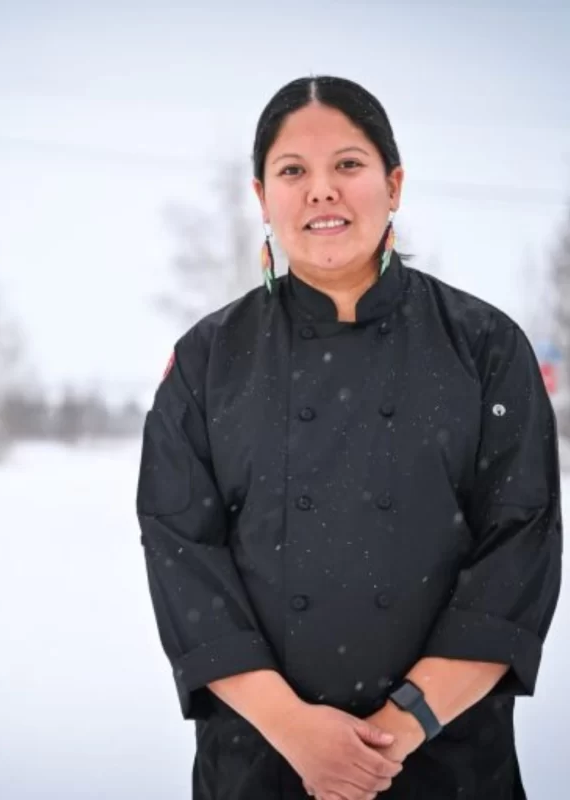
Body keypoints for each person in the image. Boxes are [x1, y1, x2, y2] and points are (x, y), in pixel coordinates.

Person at [135, 75, 563, 800]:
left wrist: (389, 738)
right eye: (293, 171)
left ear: (394, 184)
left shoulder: (486, 347)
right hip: (262, 763)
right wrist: (299, 733)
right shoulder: (208, 360)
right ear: (261, 196)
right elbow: (182, 552)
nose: (321, 190)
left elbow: (519, 547)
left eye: (349, 165)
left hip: (448, 763)